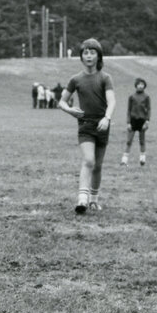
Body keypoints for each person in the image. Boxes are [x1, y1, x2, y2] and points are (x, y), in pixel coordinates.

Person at [58, 38, 116, 214]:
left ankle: (93, 200)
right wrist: (70, 110)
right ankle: (82, 199)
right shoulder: (75, 79)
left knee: (97, 166)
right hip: (85, 124)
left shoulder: (105, 78)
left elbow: (112, 101)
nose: (89, 55)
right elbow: (61, 102)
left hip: (102, 125)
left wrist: (107, 118)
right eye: (85, 52)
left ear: (98, 56)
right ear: (81, 57)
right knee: (88, 160)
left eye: (92, 52)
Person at [121, 77, 151, 166]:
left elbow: (148, 109)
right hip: (133, 121)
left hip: (142, 121)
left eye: (142, 84)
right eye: (139, 84)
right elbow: (128, 110)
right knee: (129, 141)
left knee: (142, 141)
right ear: (136, 85)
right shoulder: (132, 97)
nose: (140, 86)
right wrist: (128, 122)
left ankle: (142, 160)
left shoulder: (146, 97)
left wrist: (147, 121)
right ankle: (124, 160)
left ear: (144, 86)